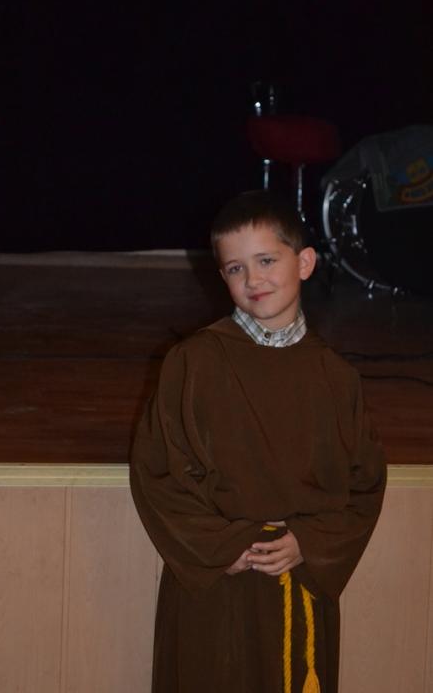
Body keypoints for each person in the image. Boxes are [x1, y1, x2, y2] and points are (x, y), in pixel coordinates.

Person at [130, 190, 386, 693]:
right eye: (235, 268)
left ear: (305, 262)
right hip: (217, 582)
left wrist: (308, 542)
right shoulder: (194, 363)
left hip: (300, 582)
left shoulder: (336, 378)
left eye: (266, 260)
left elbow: (365, 483)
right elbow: (157, 471)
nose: (253, 280)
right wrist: (220, 547)